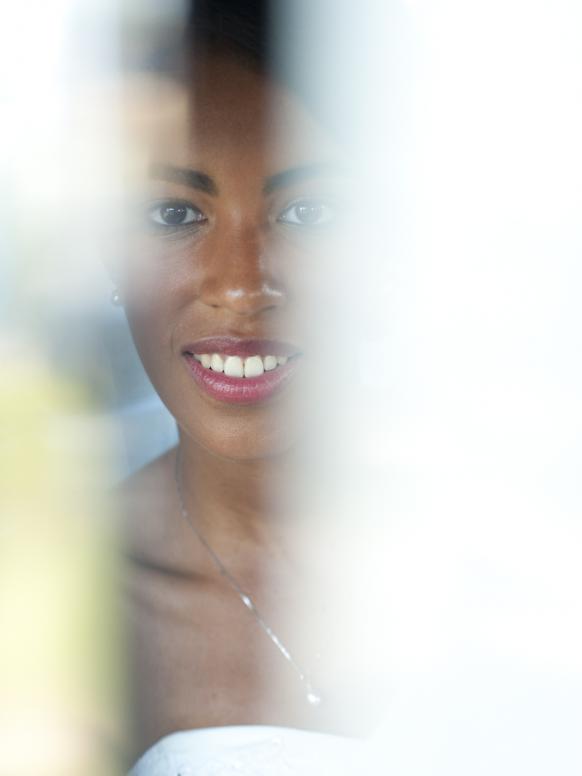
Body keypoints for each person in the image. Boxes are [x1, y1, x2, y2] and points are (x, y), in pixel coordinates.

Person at [117, 2, 382, 772]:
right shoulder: (57, 617)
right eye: (172, 213)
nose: (241, 286)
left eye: (310, 210)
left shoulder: (530, 545)